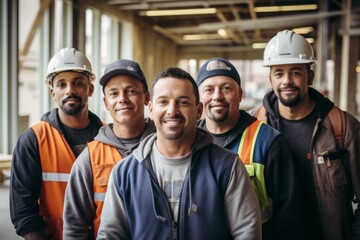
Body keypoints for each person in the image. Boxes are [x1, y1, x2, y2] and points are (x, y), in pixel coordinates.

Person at [97, 67, 261, 239]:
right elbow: (110, 235)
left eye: (183, 102)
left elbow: (247, 234)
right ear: (151, 109)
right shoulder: (125, 173)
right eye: (163, 102)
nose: (172, 111)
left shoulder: (227, 166)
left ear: (198, 111)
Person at [254, 29, 360, 240]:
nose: (287, 81)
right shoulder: (255, 127)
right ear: (271, 79)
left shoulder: (343, 127)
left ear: (309, 76)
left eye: (296, 72)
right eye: (279, 73)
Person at [196, 57, 302, 239]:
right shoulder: (188, 141)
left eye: (226, 88)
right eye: (209, 89)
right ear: (199, 99)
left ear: (240, 94)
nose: (217, 96)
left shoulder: (269, 142)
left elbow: (289, 217)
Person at [9, 47, 103, 240]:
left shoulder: (108, 138)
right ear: (53, 92)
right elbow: (23, 210)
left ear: (90, 89)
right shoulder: (33, 139)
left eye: (78, 83)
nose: (70, 90)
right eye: (61, 84)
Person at [62, 59, 156, 239]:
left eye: (131, 91)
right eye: (114, 93)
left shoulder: (167, 146)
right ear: (106, 103)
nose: (122, 99)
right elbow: (75, 226)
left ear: (146, 97)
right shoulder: (90, 157)